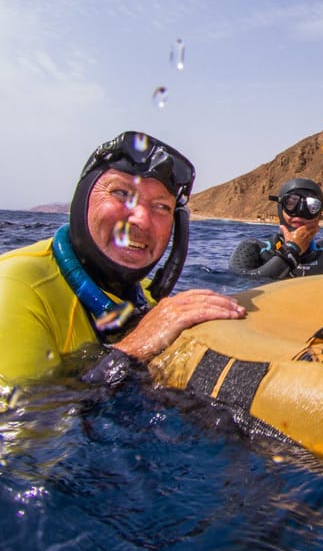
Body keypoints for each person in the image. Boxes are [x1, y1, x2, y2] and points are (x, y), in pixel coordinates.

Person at [0, 131, 246, 386]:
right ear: (82, 198)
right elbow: (27, 419)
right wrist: (133, 349)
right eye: (121, 192)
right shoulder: (14, 286)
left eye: (162, 206)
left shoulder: (148, 300)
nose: (141, 218)